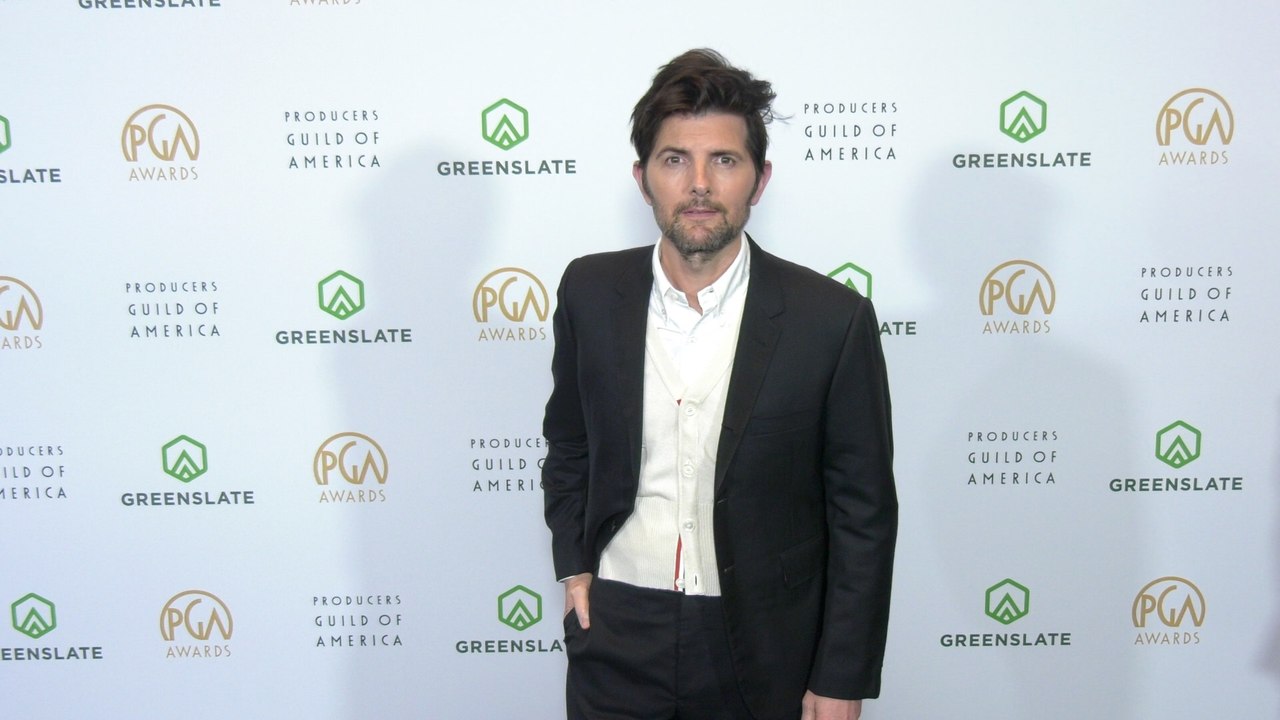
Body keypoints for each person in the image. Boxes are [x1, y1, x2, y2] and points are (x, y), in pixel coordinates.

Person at [542, 48, 897, 720]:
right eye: (675, 159)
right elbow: (569, 444)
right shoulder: (589, 291)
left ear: (759, 180)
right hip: (617, 636)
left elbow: (863, 516)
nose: (698, 183)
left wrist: (840, 676)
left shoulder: (831, 320)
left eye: (724, 161)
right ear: (642, 177)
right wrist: (574, 565)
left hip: (765, 644)